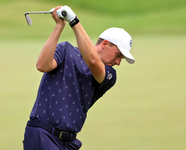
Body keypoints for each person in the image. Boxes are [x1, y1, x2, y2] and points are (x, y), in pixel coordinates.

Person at [23, 5, 135, 150]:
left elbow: (93, 61)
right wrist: (59, 26)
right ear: (105, 44)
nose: (118, 62)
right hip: (42, 134)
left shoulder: (109, 75)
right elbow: (42, 66)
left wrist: (74, 21)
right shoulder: (65, 50)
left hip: (69, 143)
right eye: (118, 55)